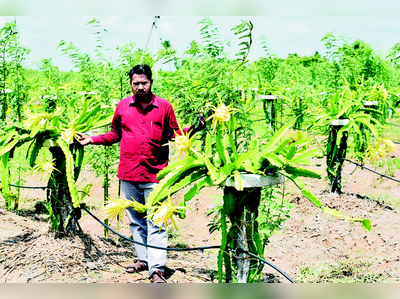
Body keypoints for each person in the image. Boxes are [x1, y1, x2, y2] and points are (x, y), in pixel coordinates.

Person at [79, 64, 204, 283]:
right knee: (136, 221)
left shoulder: (164, 107)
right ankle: (144, 259)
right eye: (135, 83)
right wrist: (93, 139)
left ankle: (157, 270)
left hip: (155, 174)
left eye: (143, 83)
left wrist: (195, 128)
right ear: (131, 83)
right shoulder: (123, 106)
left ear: (151, 82)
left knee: (157, 221)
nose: (139, 87)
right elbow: (115, 134)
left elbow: (175, 135)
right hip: (128, 173)